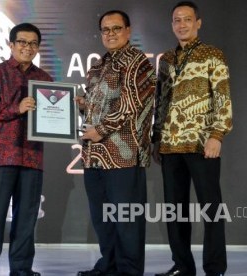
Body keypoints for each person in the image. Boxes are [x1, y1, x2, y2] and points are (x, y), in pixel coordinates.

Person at [151, 1, 233, 276]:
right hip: (170, 146)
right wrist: (156, 138)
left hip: (202, 144)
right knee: (175, 212)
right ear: (172, 24)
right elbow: (160, 103)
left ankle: (215, 268)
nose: (182, 24)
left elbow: (222, 96)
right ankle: (182, 267)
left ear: (198, 23)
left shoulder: (212, 54)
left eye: (187, 19)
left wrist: (217, 135)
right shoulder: (166, 59)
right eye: (177, 20)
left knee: (211, 209)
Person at [75, 10, 157, 276]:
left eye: (116, 28)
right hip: (94, 155)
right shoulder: (98, 65)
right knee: (102, 219)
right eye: (105, 29)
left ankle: (129, 270)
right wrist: (82, 106)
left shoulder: (138, 62)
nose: (110, 34)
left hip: (124, 154)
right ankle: (108, 265)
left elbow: (132, 103)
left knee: (126, 219)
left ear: (128, 31)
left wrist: (101, 129)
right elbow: (98, 105)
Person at [0, 23, 53, 276]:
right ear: (11, 44)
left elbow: (54, 115)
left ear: (38, 48)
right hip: (1, 154)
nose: (27, 47)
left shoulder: (45, 79)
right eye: (22, 42)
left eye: (32, 43)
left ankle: (21, 269)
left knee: (27, 218)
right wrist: (15, 109)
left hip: (32, 156)